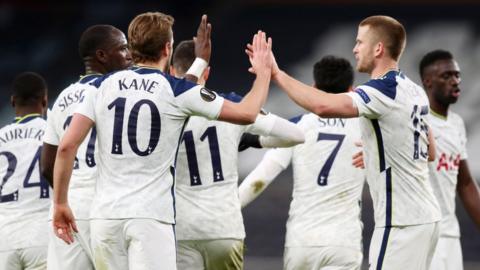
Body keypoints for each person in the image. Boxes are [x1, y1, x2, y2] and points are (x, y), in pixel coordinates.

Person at [52, 12, 274, 270]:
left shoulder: (101, 86)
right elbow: (246, 112)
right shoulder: (176, 90)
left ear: (132, 47)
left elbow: (67, 146)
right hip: (151, 218)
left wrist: (60, 203)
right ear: (168, 47)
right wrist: (263, 72)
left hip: (105, 218)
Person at [247, 15, 440, 269]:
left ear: (378, 48)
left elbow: (323, 106)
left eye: (360, 42)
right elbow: (430, 152)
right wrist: (379, 152)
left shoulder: (382, 90)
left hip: (400, 221)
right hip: (428, 218)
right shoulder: (414, 91)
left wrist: (276, 73)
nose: (354, 49)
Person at [170, 40, 304, 270]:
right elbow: (295, 135)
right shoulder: (231, 106)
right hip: (223, 227)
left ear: (171, 71)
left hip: (180, 227)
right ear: (207, 72)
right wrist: (252, 138)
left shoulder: (164, 110)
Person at [238, 56, 365, 270]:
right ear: (352, 90)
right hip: (343, 241)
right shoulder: (366, 129)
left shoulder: (298, 127)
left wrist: (229, 209)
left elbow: (262, 176)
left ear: (313, 88)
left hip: (302, 242)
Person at [41, 24, 132, 270]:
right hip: (106, 207)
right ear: (102, 56)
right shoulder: (116, 92)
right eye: (123, 48)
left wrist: (66, 196)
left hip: (68, 207)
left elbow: (47, 165)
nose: (129, 55)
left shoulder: (63, 98)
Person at [419, 50, 480, 270]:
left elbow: (465, 183)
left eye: (457, 75)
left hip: (451, 235)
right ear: (428, 82)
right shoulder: (415, 122)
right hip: (423, 234)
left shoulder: (456, 123)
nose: (455, 81)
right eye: (446, 76)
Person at [0, 72, 50, 270]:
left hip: (4, 238)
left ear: (12, 102)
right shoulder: (54, 133)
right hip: (41, 234)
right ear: (45, 100)